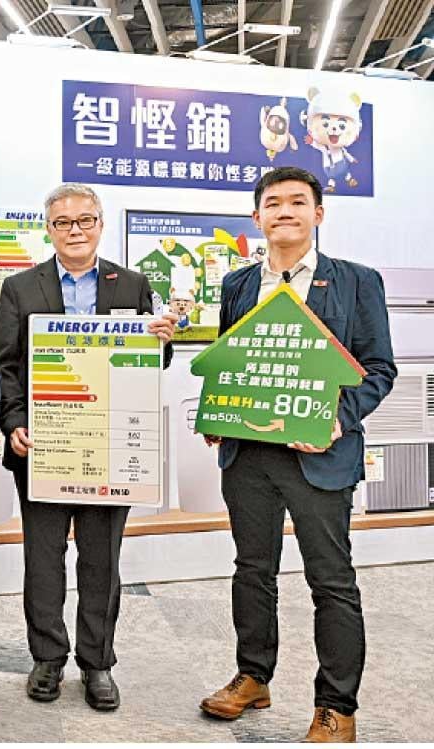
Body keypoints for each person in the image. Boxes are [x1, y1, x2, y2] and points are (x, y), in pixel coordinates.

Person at [198, 166, 395, 743]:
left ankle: (336, 706)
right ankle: (253, 676)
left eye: (297, 202)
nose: (285, 211)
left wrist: (338, 419)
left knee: (331, 582)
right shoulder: (238, 284)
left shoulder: (356, 281)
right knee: (251, 572)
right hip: (249, 456)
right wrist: (219, 414)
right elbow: (232, 360)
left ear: (318, 213)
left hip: (320, 457)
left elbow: (379, 368)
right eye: (274, 203)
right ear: (257, 216)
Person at [0, 183, 178, 712]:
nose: (74, 230)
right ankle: (48, 658)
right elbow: (4, 365)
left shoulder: (133, 284)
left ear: (100, 223)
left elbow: (151, 362)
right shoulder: (20, 288)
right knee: (43, 559)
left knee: (101, 559)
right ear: (48, 229)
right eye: (63, 222)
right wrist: (13, 421)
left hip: (110, 446)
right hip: (43, 446)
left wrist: (162, 343)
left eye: (84, 220)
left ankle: (97, 663)